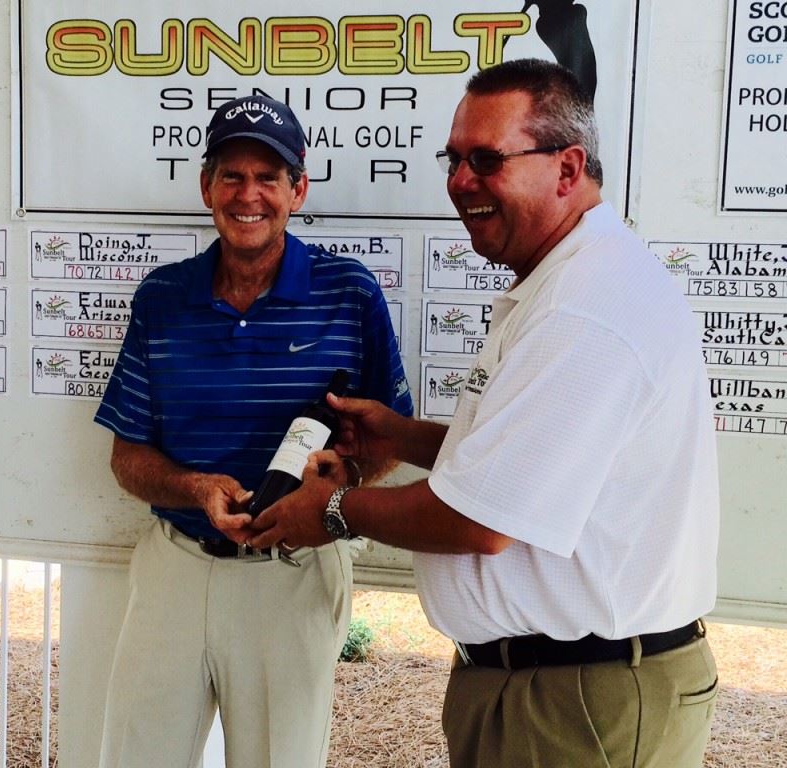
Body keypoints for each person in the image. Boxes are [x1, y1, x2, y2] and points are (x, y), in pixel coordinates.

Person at [250, 59, 720, 768]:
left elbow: (482, 519)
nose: (461, 181)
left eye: (487, 159)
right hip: (549, 687)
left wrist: (335, 512)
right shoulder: (566, 283)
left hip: (578, 702)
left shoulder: (583, 308)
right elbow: (535, 468)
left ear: (567, 169)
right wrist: (406, 437)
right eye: (455, 159)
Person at [93, 94, 413, 768]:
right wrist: (196, 486)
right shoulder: (163, 296)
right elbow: (126, 457)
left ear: (297, 189)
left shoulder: (348, 291)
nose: (249, 195)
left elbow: (385, 441)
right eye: (232, 175)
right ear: (206, 185)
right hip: (177, 561)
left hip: (292, 571)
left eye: (268, 178)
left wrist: (339, 485)